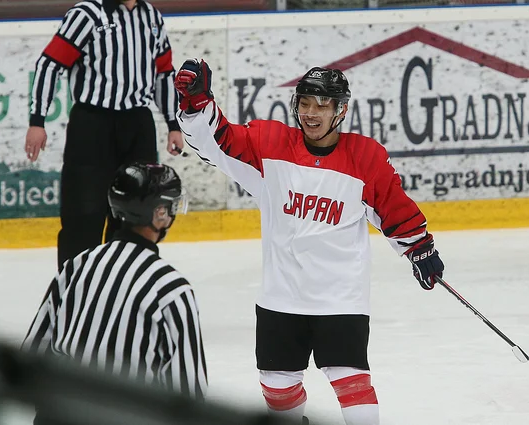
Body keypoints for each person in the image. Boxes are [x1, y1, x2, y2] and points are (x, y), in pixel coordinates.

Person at [174, 60, 445, 425]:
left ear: (341, 110)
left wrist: (420, 248)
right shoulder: (268, 146)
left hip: (340, 297)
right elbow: (216, 144)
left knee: (352, 383)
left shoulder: (365, 157)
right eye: (304, 103)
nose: (311, 113)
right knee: (276, 388)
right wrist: (197, 105)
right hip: (281, 295)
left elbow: (392, 206)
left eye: (322, 105)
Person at [21, 162, 208, 417]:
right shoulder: (171, 290)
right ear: (159, 213)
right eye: (170, 207)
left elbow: (32, 356)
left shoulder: (77, 265)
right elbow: (188, 395)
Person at [24, 0, 185, 269]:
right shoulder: (87, 14)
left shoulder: (152, 17)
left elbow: (164, 72)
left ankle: (126, 283)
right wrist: (37, 121)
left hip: (138, 124)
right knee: (84, 213)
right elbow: (49, 64)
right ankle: (75, 288)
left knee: (136, 214)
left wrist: (173, 123)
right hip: (92, 125)